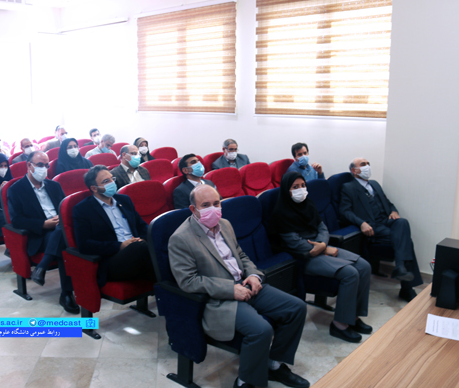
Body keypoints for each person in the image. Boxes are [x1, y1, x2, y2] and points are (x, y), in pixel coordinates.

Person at [169, 185, 309, 388]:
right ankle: (245, 381)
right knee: (261, 330)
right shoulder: (181, 238)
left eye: (216, 203)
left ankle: (274, 365)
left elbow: (241, 255)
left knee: (296, 308)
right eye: (205, 205)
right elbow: (188, 281)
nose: (213, 209)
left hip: (245, 284)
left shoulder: (225, 224)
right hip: (219, 298)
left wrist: (253, 274)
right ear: (193, 209)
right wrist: (230, 289)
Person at [270, 172, 372, 343]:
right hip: (304, 258)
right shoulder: (280, 212)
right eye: (295, 187)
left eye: (303, 185)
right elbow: (295, 243)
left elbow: (322, 228)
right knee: (350, 273)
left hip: (321, 247)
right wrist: (321, 248)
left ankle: (353, 317)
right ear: (287, 190)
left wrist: (322, 245)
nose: (301, 189)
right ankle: (340, 325)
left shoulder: (308, 204)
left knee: (364, 266)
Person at [340, 157, 424, 302]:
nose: (367, 166)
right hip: (372, 226)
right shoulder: (348, 187)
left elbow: (388, 203)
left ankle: (400, 266)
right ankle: (406, 288)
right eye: (363, 164)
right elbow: (345, 211)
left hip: (386, 221)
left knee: (402, 222)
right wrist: (361, 223)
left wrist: (394, 211)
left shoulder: (374, 184)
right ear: (354, 170)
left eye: (368, 164)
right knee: (406, 242)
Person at [7, 151, 78, 314]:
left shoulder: (54, 186)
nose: (44, 169)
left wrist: (61, 218)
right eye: (40, 165)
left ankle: (42, 266)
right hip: (39, 235)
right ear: (29, 165)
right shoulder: (16, 189)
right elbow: (16, 220)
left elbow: (65, 209)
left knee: (62, 231)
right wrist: (43, 224)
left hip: (60, 228)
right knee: (64, 244)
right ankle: (67, 293)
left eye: (46, 165)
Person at [73, 165, 155, 287]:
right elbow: (84, 244)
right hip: (112, 259)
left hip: (138, 248)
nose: (112, 183)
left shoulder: (124, 200)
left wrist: (143, 238)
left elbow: (141, 225)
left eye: (112, 178)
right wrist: (120, 246)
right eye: (106, 181)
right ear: (94, 188)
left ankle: (167, 288)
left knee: (160, 242)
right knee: (147, 252)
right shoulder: (83, 209)